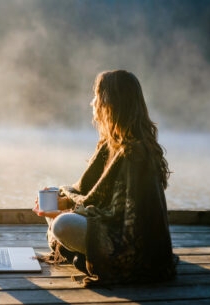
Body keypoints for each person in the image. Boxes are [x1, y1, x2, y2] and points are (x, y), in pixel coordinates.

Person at [33, 70, 178, 286]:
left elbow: (121, 217)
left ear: (112, 104)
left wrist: (65, 211)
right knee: (53, 193)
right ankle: (84, 255)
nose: (93, 103)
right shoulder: (108, 145)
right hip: (105, 221)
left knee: (62, 225)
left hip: (131, 247)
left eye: (97, 97)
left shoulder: (134, 154)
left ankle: (87, 256)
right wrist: (64, 203)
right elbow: (89, 196)